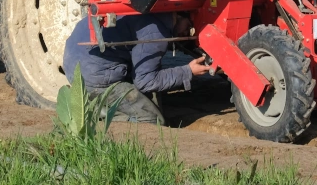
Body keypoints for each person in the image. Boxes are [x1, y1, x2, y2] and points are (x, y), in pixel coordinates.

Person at [61, 13, 212, 124]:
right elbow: (146, 81)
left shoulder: (151, 4)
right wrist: (188, 71)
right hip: (93, 76)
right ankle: (97, 117)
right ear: (178, 15)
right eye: (189, 26)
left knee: (151, 79)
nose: (188, 32)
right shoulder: (156, 32)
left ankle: (98, 104)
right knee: (152, 121)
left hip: (74, 60)